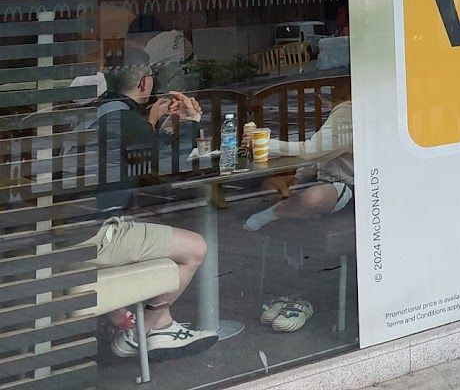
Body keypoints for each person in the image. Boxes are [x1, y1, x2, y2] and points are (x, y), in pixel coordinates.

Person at [90, 47, 218, 361]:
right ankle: (147, 329)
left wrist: (151, 119)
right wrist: (190, 121)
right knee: (194, 247)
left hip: (73, 228)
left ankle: (143, 323)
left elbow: (135, 154)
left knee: (157, 232)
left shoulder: (102, 111)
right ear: (146, 84)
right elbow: (165, 166)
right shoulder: (124, 121)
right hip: (97, 235)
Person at [242, 85, 353, 231]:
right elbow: (319, 154)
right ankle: (294, 209)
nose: (320, 96)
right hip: (320, 179)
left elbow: (311, 151)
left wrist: (263, 144)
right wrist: (298, 179)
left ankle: (276, 212)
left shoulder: (347, 112)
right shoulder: (338, 112)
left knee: (314, 197)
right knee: (269, 185)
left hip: (349, 184)